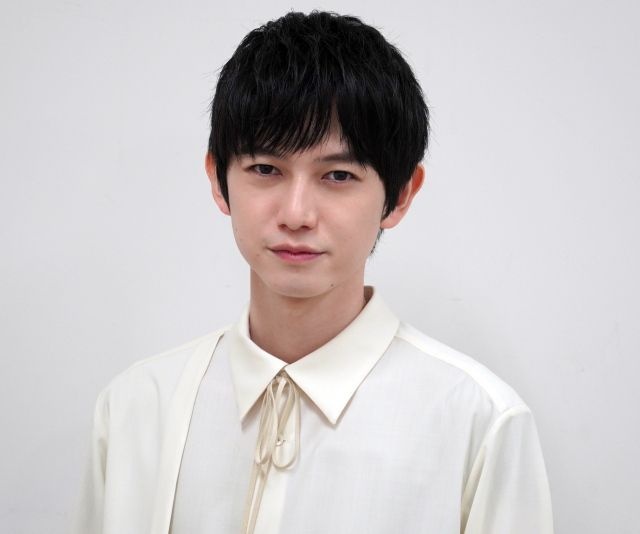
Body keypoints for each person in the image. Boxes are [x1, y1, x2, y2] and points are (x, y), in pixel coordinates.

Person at [74, 11, 554, 534]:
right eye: (265, 169)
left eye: (338, 175)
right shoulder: (136, 407)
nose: (296, 213)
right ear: (218, 179)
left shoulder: (479, 423)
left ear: (400, 196)